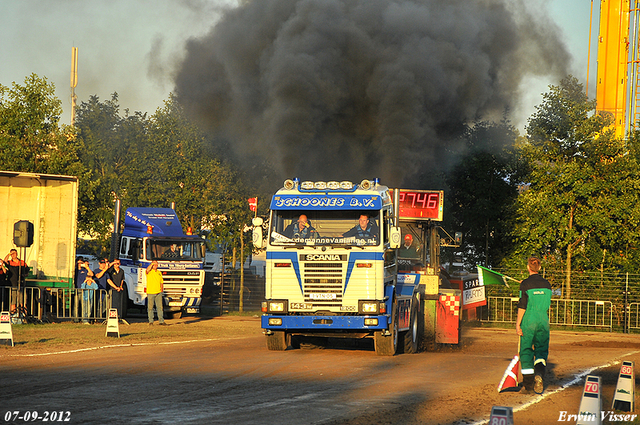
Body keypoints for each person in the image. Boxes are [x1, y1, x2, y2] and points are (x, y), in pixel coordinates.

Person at [516, 256, 552, 394]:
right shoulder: (547, 284)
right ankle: (539, 375)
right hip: (543, 320)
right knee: (541, 351)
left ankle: (529, 385)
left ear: (528, 267)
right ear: (540, 268)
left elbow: (522, 305)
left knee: (525, 351)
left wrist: (518, 324)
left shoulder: (525, 284)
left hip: (529, 320)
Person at [3, 249, 29, 314]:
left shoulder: (22, 262)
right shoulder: (10, 262)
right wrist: (9, 254)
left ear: (17, 254)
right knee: (13, 301)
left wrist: (25, 275)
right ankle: (13, 315)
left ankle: (24, 316)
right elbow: (5, 261)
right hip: (13, 284)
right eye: (12, 254)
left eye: (14, 253)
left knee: (22, 301)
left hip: (21, 283)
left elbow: (27, 271)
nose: (13, 255)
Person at [146, 260, 166, 325]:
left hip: (158, 292)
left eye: (157, 265)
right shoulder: (149, 272)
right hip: (151, 292)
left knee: (160, 307)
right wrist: (152, 264)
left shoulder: (159, 272)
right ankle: (151, 321)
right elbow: (147, 270)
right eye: (155, 265)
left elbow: (161, 281)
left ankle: (161, 321)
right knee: (150, 307)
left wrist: (161, 290)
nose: (156, 266)